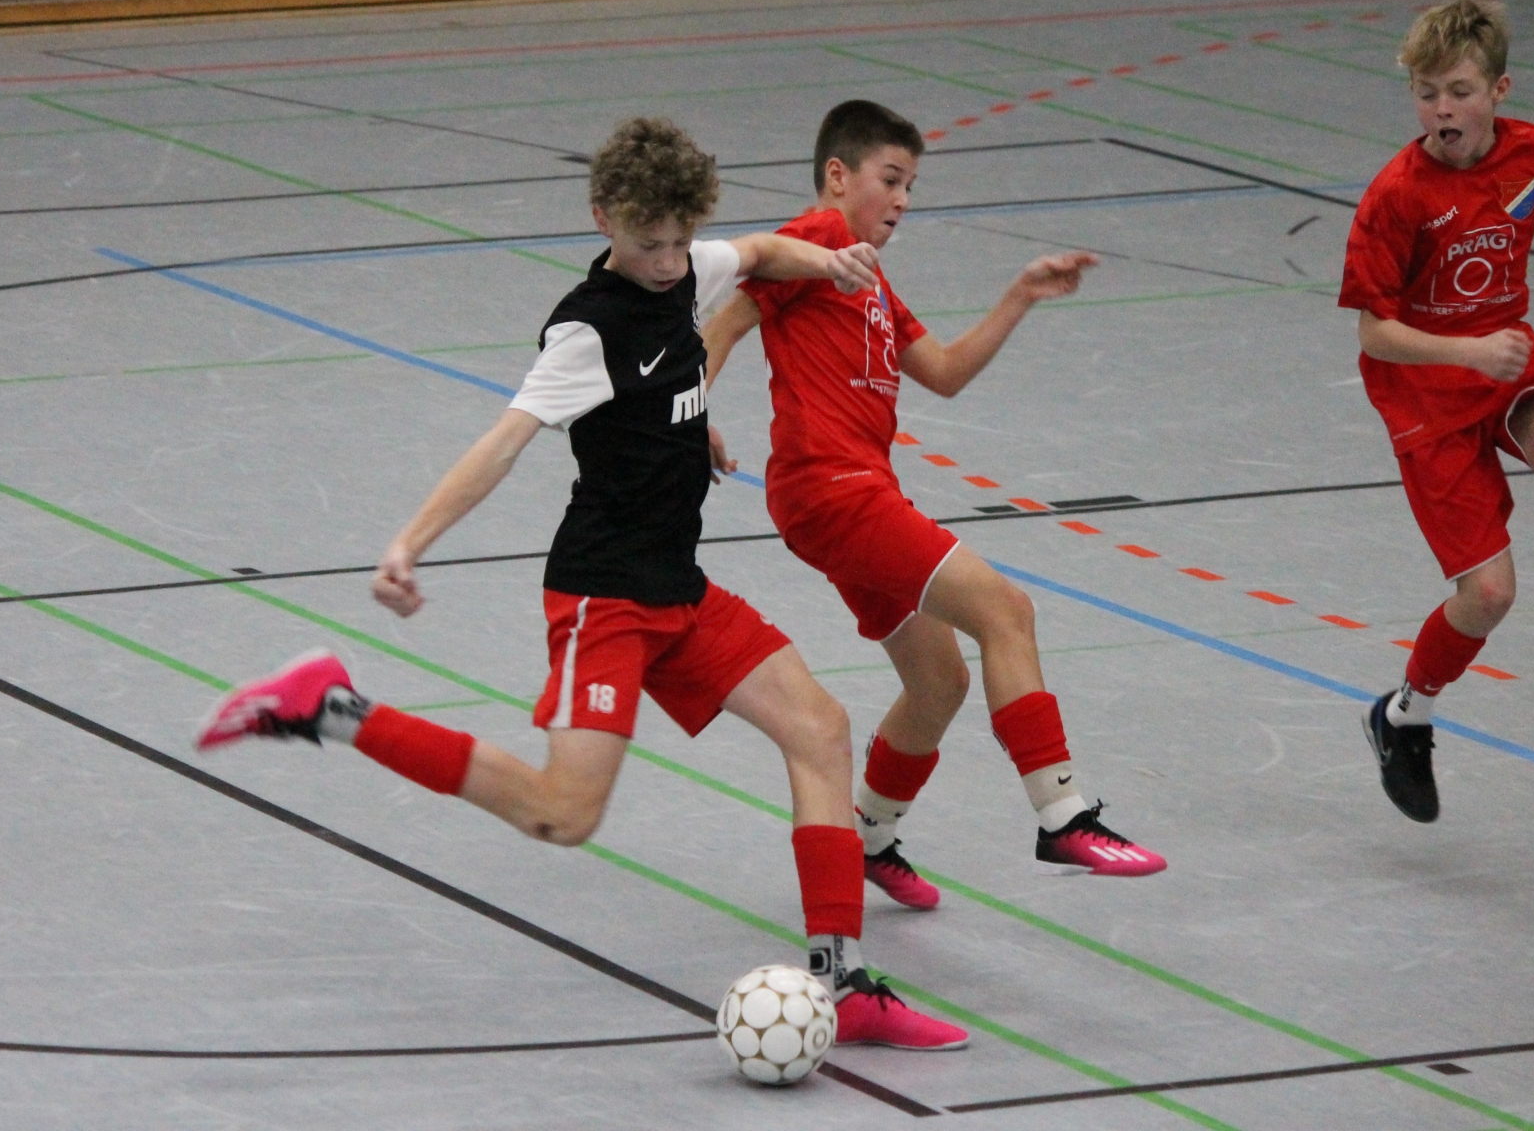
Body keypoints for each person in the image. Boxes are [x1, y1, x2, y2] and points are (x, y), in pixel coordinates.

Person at [195, 116, 968, 1049]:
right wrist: (409, 542)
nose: (670, 263)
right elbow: (503, 443)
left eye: (682, 241)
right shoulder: (584, 332)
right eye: (650, 245)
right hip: (606, 599)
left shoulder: (690, 267)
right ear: (605, 218)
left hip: (680, 588)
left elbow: (763, 252)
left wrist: (829, 266)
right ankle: (332, 707)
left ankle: (839, 976)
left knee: (820, 728)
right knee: (561, 816)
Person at [702, 100, 1166, 908]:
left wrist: (1020, 295)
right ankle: (1063, 814)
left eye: (911, 185)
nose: (903, 200)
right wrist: (692, 415)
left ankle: (872, 836)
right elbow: (724, 324)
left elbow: (944, 371)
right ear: (838, 176)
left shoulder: (868, 276)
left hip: (849, 494)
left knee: (938, 681)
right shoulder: (813, 239)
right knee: (1006, 612)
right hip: (832, 489)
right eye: (891, 179)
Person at [1339, 0, 1534, 823]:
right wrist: (1468, 352)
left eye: (1458, 91)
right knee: (1489, 595)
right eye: (1426, 94)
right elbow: (1375, 334)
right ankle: (1405, 715)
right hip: (1427, 394)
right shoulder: (1397, 196)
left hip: (1511, 369)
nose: (1441, 109)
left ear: (1498, 91)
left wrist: (1492, 357)